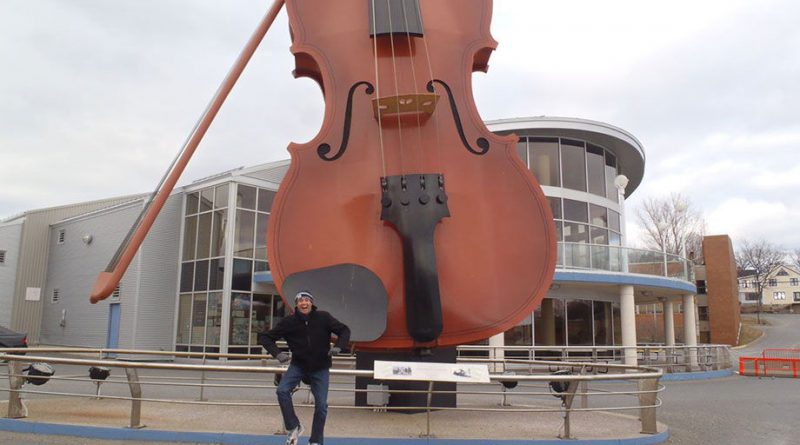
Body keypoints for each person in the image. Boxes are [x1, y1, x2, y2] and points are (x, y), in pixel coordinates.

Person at [259, 291, 350, 445]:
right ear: (296, 304)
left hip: (320, 367)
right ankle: (294, 426)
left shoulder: (324, 317)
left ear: (311, 303)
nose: (304, 303)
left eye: (307, 300)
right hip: (298, 365)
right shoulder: (288, 322)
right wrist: (277, 354)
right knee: (282, 390)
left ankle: (315, 441)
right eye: (300, 301)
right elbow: (265, 337)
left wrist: (339, 347)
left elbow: (344, 330)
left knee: (321, 406)